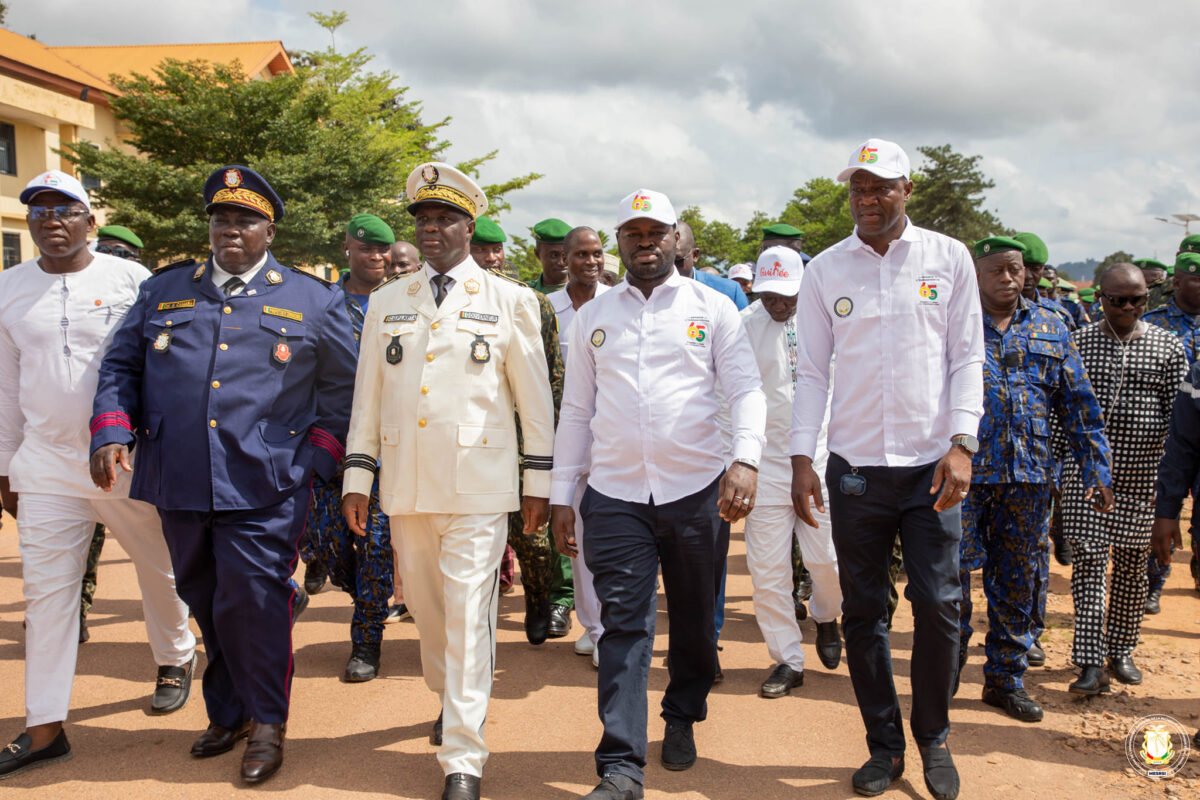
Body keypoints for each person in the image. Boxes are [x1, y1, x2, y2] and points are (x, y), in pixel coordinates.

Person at [89, 165, 358, 784]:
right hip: (178, 476)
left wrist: (316, 459)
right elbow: (121, 366)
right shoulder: (165, 291)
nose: (231, 229)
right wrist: (111, 429)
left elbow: (345, 392)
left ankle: (267, 721)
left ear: (270, 231)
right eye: (221, 218)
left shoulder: (312, 300)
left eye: (246, 220)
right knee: (205, 595)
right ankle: (230, 710)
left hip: (266, 483)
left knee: (256, 597)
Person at [341, 162, 554, 800]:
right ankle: (451, 696)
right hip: (405, 481)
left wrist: (537, 480)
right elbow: (367, 397)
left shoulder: (509, 300)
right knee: (430, 615)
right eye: (424, 221)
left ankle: (463, 755)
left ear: (469, 227)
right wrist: (358, 472)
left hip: (480, 482)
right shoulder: (386, 301)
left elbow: (533, 400)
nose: (432, 230)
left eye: (445, 220)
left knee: (467, 613)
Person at [550, 188, 765, 800]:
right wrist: (563, 491)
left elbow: (747, 390)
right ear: (620, 242)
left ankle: (681, 715)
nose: (645, 243)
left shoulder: (713, 307)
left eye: (655, 233)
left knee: (695, 621)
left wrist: (744, 460)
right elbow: (576, 411)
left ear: (675, 237)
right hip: (615, 494)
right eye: (633, 234)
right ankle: (621, 765)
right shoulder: (595, 317)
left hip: (697, 492)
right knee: (623, 626)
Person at [790, 139, 983, 800]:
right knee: (864, 611)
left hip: (933, 465)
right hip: (855, 471)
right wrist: (801, 458)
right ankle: (884, 744)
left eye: (881, 188)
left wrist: (962, 440)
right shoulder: (825, 270)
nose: (868, 200)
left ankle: (933, 735)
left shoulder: (947, 258)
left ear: (907, 190)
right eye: (858, 189)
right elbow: (812, 373)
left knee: (939, 603)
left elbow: (967, 356)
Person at [0, 171, 197, 780]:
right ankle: (45, 725)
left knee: (158, 568)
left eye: (65, 209)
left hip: (125, 460)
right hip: (45, 464)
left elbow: (160, 371)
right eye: (38, 211)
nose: (50, 220)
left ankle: (175, 656)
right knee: (48, 596)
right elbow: (6, 387)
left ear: (90, 220)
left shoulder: (130, 281)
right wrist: (6, 466)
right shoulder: (7, 288)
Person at [955, 237, 1113, 724]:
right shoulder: (951, 325)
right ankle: (944, 671)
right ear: (976, 276)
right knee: (949, 580)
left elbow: (1079, 406)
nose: (1009, 278)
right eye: (997, 270)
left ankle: (1005, 681)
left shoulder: (1052, 325)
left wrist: (1096, 470)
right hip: (963, 478)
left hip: (1029, 478)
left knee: (1018, 583)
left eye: (1016, 269)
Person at [1062, 263, 1186, 695]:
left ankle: (1122, 649)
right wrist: (1062, 473)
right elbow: (1066, 413)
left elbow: (1179, 419)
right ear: (1101, 299)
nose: (1129, 307)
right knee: (1091, 566)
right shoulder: (1076, 344)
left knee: (1133, 568)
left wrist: (1172, 485)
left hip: (1143, 478)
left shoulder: (1168, 348)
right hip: (1087, 479)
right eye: (1120, 300)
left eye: (1137, 300)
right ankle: (1090, 661)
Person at [739, 246, 842, 701]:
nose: (779, 305)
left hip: (819, 461)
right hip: (768, 465)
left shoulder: (827, 323)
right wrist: (740, 461)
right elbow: (730, 400)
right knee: (767, 572)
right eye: (769, 296)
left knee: (827, 561)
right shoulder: (743, 329)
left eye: (787, 296)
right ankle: (787, 659)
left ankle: (826, 614)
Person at [299, 214, 397, 682]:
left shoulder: (405, 301)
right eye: (366, 250)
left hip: (387, 446)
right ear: (347, 250)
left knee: (375, 542)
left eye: (382, 251)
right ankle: (364, 596)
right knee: (324, 540)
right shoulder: (322, 304)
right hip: (331, 441)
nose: (375, 258)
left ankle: (367, 639)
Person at [469, 214, 570, 644]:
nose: (490, 259)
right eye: (481, 251)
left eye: (495, 251)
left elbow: (553, 376)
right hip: (473, 439)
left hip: (523, 440)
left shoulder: (532, 302)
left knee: (533, 537)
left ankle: (538, 603)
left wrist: (555, 438)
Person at [80, 223, 148, 643]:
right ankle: (70, 611)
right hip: (73, 443)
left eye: (122, 254)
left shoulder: (146, 293)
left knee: (165, 546)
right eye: (105, 250)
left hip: (137, 446)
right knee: (83, 539)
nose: (111, 259)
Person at [548, 225, 611, 666]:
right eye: (582, 255)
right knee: (577, 540)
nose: (591, 262)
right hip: (565, 440)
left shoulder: (619, 303)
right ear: (563, 260)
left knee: (610, 538)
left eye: (597, 254)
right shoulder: (545, 310)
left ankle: (610, 627)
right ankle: (593, 625)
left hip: (611, 440)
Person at [1142, 247, 1200, 612]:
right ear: (1177, 281)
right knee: (1161, 510)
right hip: (1165, 436)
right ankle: (1154, 580)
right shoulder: (1155, 322)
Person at [674, 221, 748, 310]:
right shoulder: (653, 290)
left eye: (676, 261)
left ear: (695, 255)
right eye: (663, 261)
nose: (670, 269)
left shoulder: (730, 292)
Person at [527, 218, 571, 293]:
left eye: (565, 255)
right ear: (537, 254)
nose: (561, 262)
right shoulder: (525, 292)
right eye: (554, 255)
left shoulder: (586, 292)